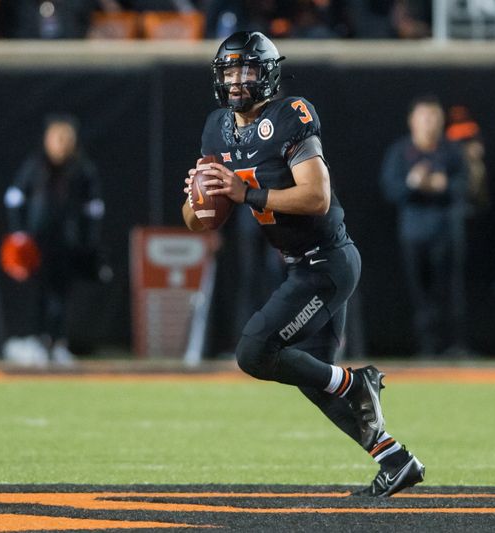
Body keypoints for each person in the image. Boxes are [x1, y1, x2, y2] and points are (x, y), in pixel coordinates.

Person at [181, 31, 424, 496]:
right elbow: (199, 221)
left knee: (255, 352)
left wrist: (245, 193)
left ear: (268, 73)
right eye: (228, 71)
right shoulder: (217, 128)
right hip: (301, 265)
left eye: (245, 69)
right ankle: (395, 459)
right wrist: (196, 198)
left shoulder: (291, 115)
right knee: (314, 377)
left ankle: (357, 383)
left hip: (328, 262)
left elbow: (316, 196)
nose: (235, 81)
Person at [3, 115, 104, 367]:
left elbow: (93, 207)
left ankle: (58, 343)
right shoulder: (35, 166)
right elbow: (14, 197)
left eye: (66, 138)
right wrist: (19, 233)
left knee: (61, 294)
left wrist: (88, 239)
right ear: (47, 140)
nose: (61, 144)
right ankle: (38, 342)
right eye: (57, 138)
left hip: (68, 243)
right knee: (40, 293)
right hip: (38, 242)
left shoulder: (81, 169)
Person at [380, 95, 468, 356]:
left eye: (434, 117)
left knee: (449, 291)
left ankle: (454, 346)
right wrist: (413, 183)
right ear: (412, 121)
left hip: (447, 232)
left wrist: (444, 186)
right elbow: (390, 188)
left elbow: (464, 185)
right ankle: (426, 349)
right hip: (414, 233)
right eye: (424, 116)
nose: (429, 123)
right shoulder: (400, 151)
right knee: (420, 294)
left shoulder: (452, 151)